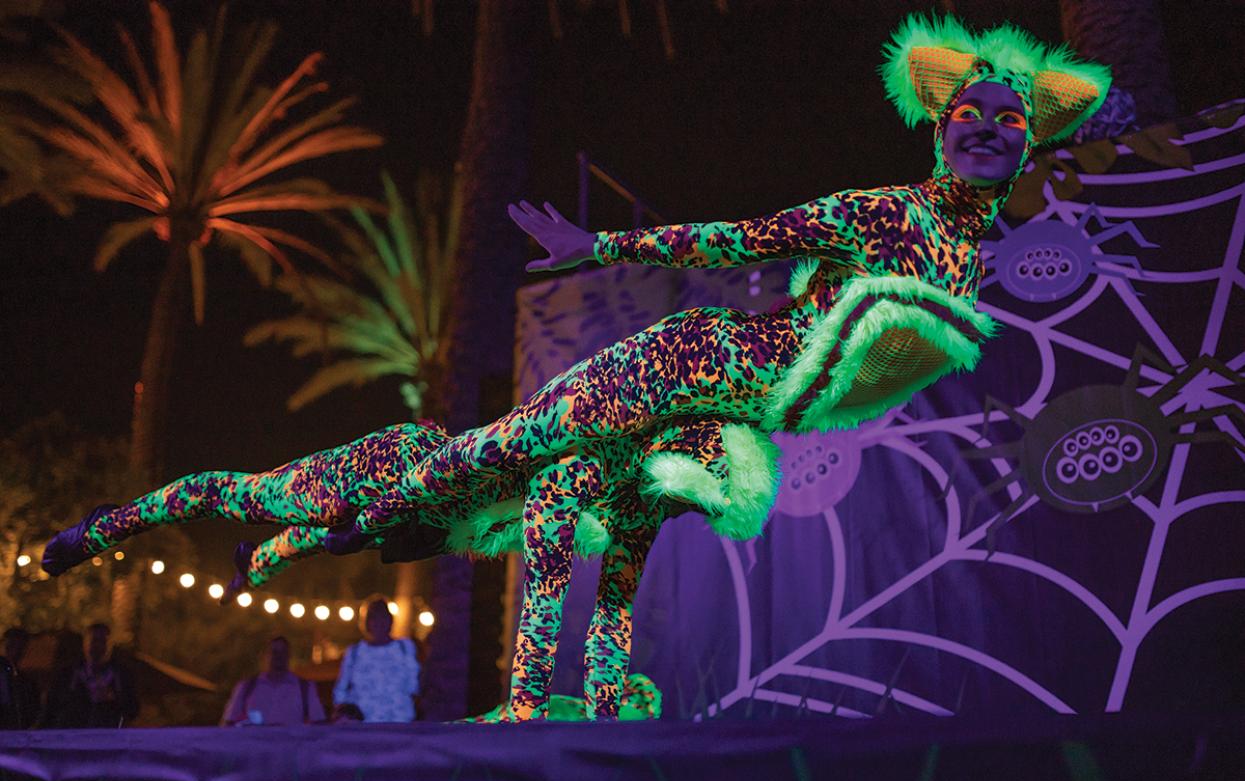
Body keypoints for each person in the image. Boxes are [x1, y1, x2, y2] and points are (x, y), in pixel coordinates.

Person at [43, 14, 1110, 720]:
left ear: (1023, 143)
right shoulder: (885, 210)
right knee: (473, 464)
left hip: (723, 404)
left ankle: (571, 684)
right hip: (689, 362)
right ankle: (122, 522)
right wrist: (604, 248)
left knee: (579, 496)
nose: (987, 130)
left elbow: (1031, 259)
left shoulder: (982, 236)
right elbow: (739, 236)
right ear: (940, 127)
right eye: (969, 115)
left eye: (1008, 123)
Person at [333, 597, 421, 723]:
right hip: (363, 726)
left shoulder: (404, 648)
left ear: (390, 620)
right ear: (367, 622)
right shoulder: (355, 652)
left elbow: (414, 685)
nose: (379, 623)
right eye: (374, 618)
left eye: (383, 617)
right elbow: (341, 689)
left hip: (399, 723)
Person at [43, 623, 139, 728]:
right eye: (94, 641)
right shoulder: (67, 675)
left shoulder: (122, 677)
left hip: (106, 740)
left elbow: (133, 711)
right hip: (72, 739)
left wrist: (113, 698)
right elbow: (50, 709)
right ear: (85, 644)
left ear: (111, 646)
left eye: (103, 642)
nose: (98, 646)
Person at [221, 635, 325, 726]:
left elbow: (319, 724)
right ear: (265, 655)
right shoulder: (246, 687)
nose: (279, 656)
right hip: (255, 747)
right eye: (274, 652)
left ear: (289, 655)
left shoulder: (305, 688)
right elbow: (229, 723)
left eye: (283, 652)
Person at [1, 628, 41, 730]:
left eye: (19, 648)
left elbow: (32, 711)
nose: (14, 652)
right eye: (10, 647)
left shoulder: (26, 683)